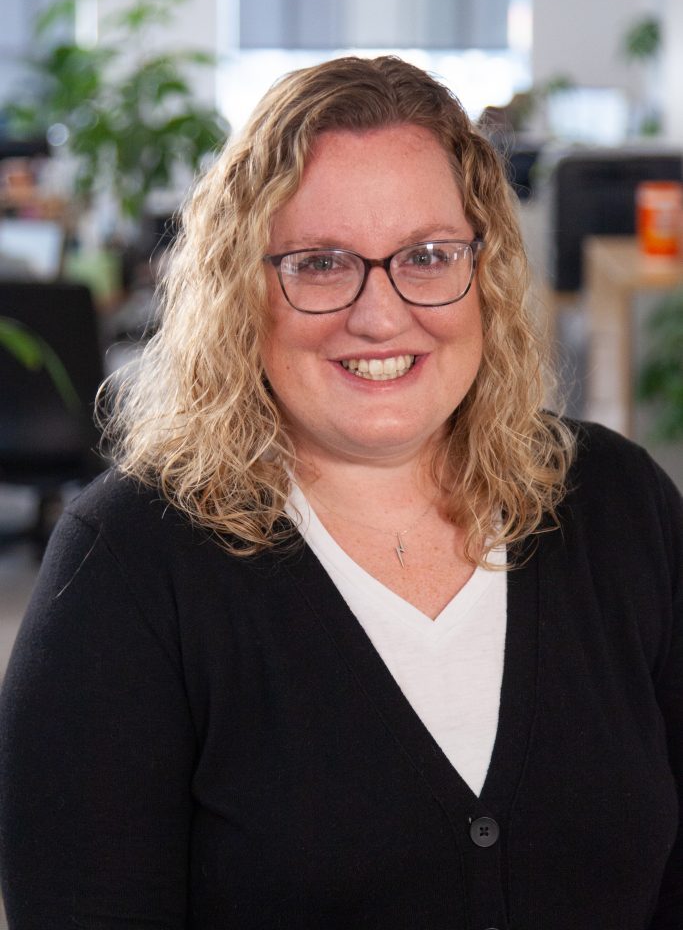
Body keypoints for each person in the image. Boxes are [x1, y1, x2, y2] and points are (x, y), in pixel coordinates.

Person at [0, 56, 681, 930]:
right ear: (244, 290)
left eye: (428, 256)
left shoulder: (619, 507)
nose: (380, 312)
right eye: (321, 263)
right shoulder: (123, 567)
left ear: (486, 272)